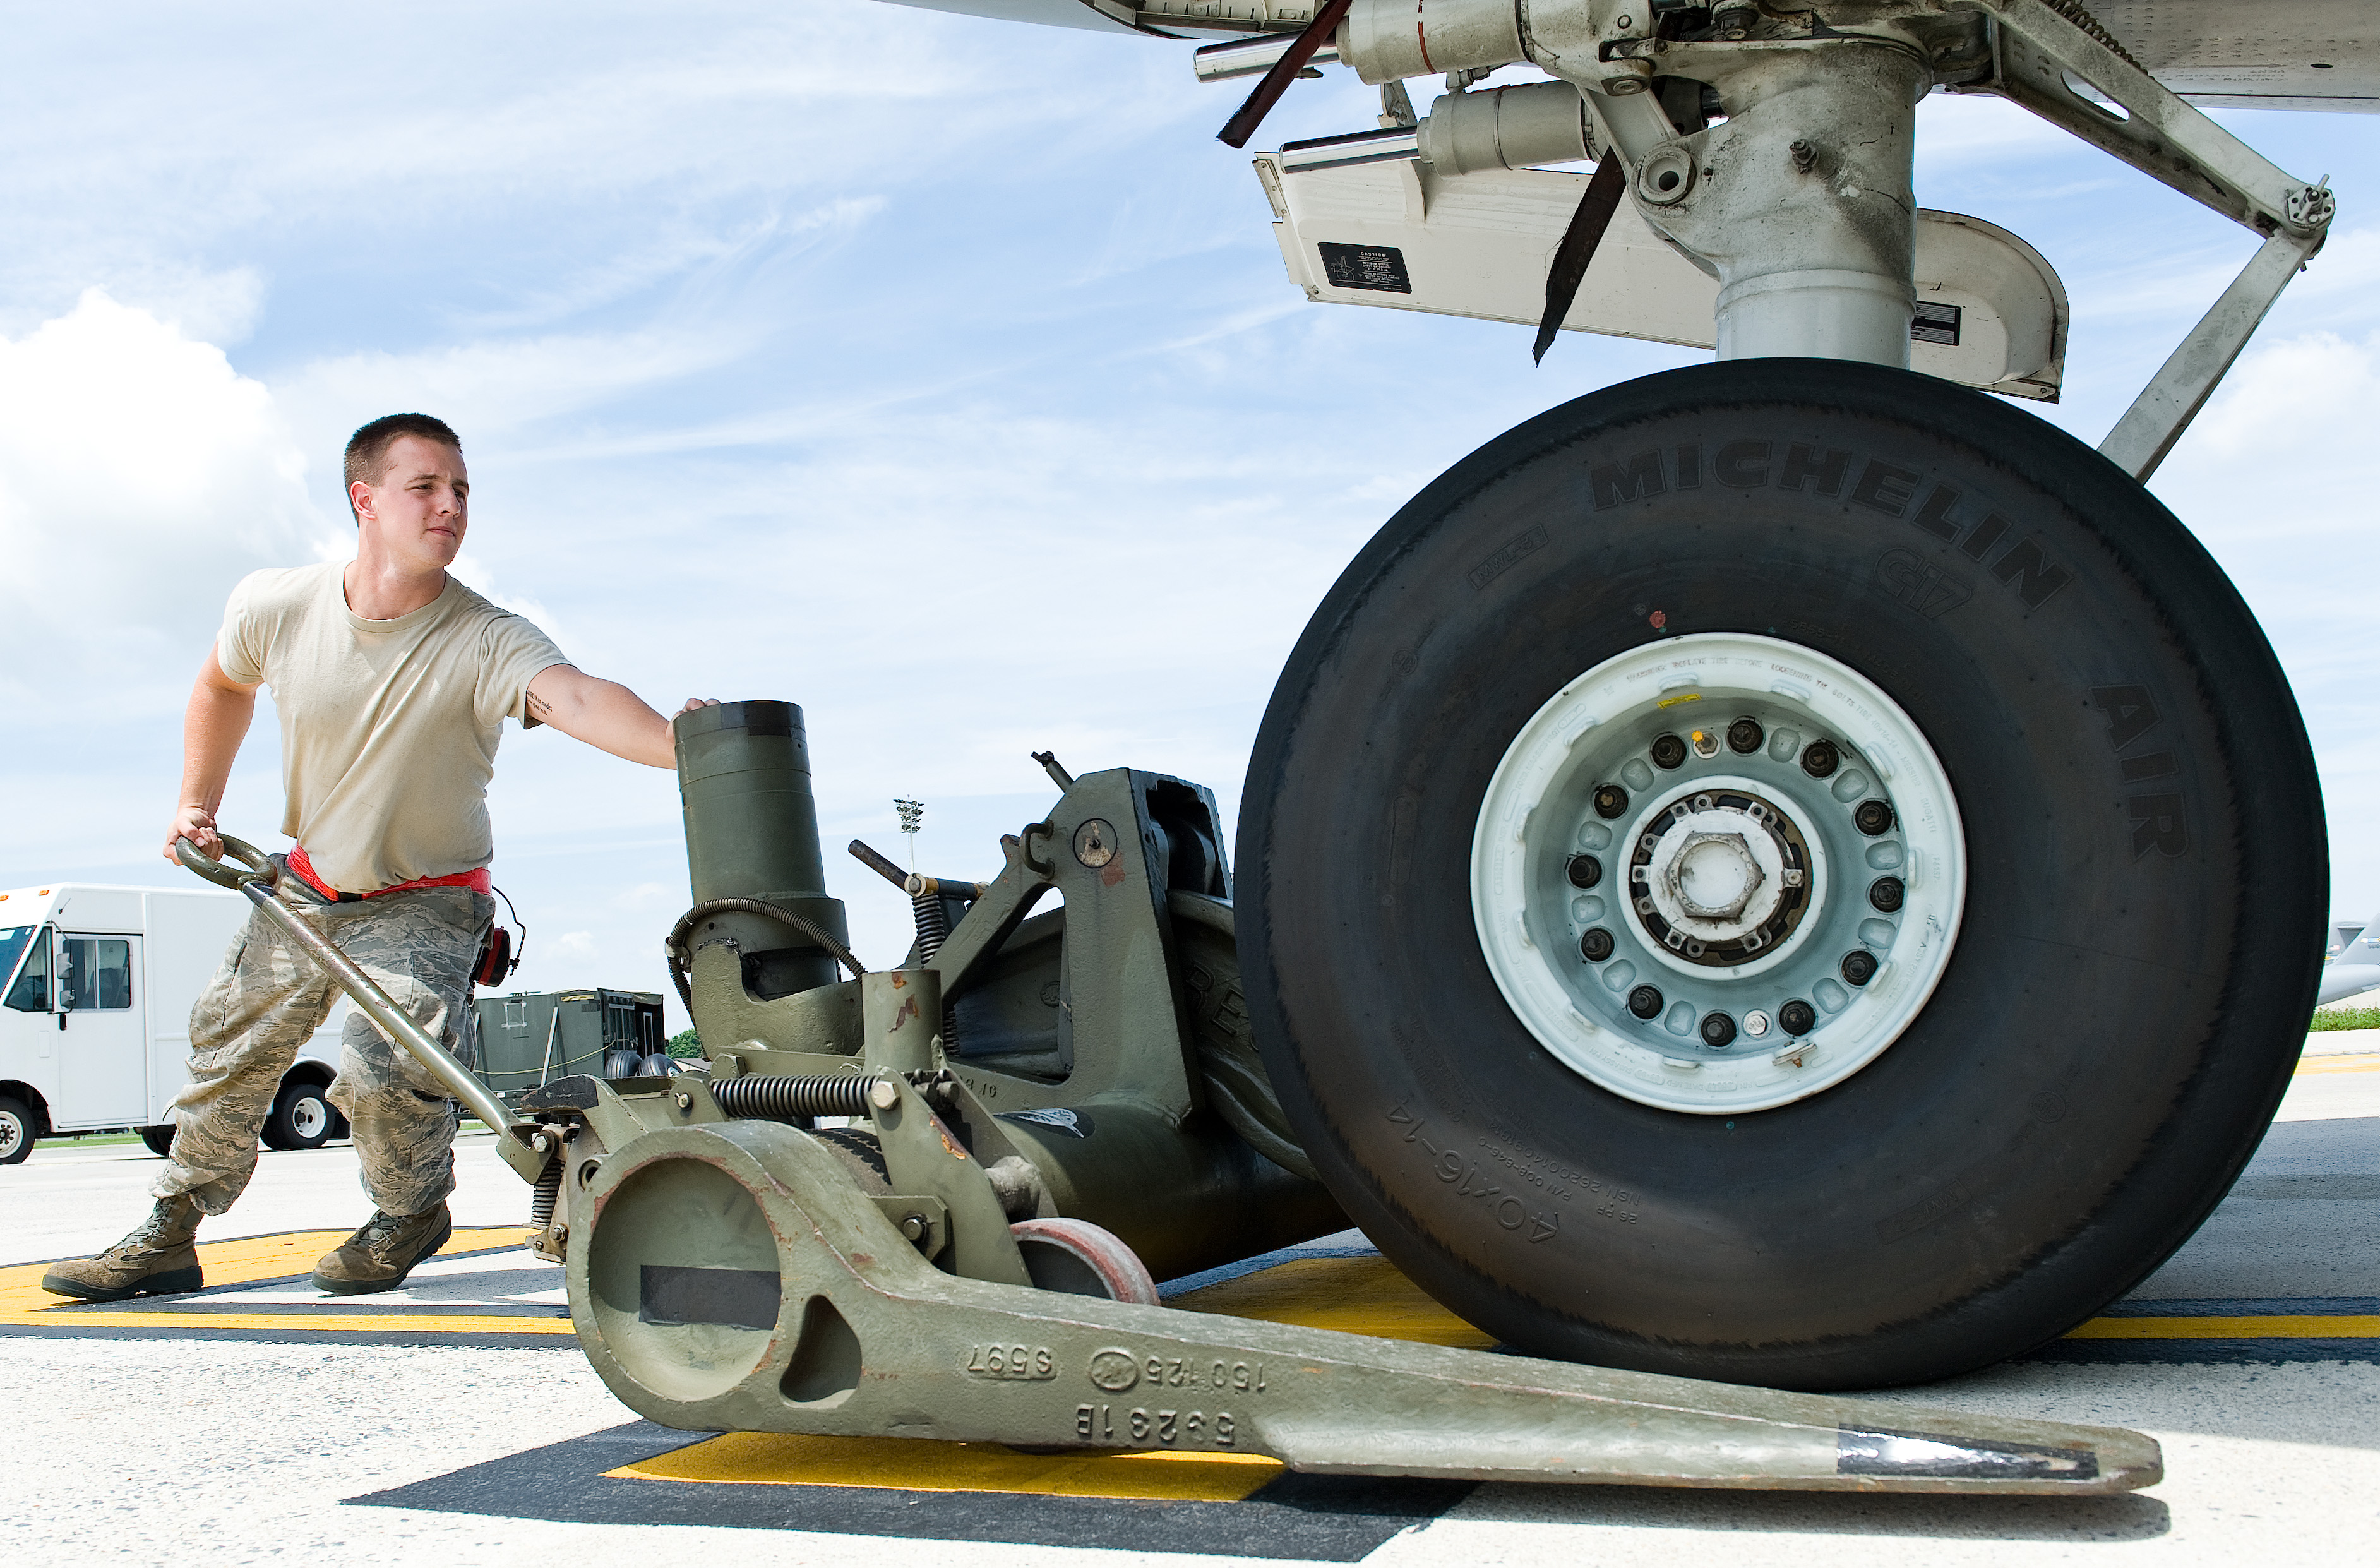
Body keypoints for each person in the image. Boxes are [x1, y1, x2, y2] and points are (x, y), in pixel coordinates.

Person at [42, 413, 711, 1302]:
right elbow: (219, 683)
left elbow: (579, 697)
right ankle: (171, 1230)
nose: (451, 507)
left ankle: (407, 1213)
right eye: (426, 487)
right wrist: (195, 802)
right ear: (365, 500)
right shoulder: (276, 607)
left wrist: (679, 741)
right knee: (228, 1049)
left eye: (462, 490)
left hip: (428, 899)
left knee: (384, 1062)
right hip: (307, 886)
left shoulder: (486, 636)